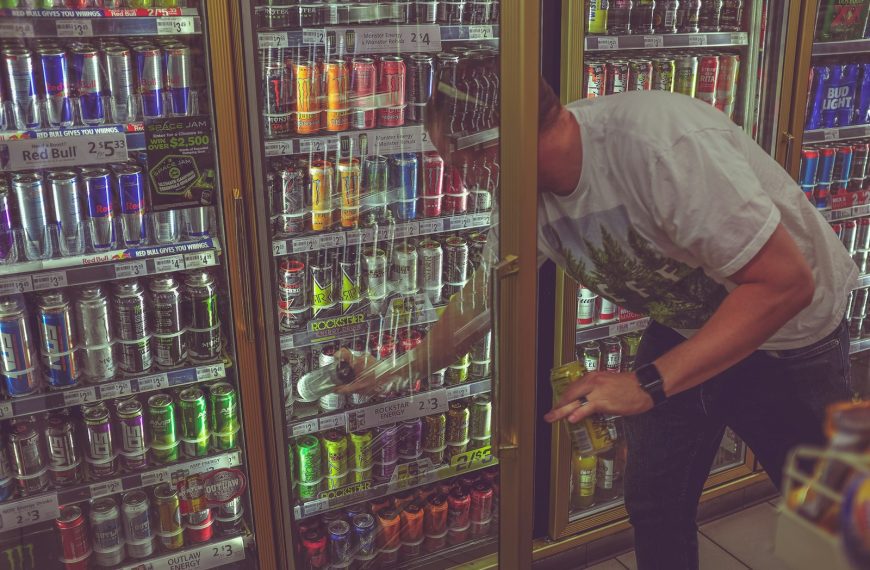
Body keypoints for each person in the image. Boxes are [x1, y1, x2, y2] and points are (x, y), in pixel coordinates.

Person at [338, 76, 857, 570]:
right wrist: (396, 370)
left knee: (824, 515)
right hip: (687, 327)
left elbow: (785, 285)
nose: (458, 180)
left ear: (490, 148)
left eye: (456, 162)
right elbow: (484, 300)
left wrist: (647, 384)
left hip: (791, 337)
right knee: (655, 501)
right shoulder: (523, 190)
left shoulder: (659, 146)